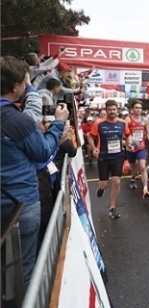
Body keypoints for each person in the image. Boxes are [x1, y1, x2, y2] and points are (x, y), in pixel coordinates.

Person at [1, 55, 68, 288]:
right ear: (16, 86)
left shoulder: (18, 118)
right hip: (20, 205)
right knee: (24, 273)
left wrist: (28, 86)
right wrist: (58, 124)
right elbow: (43, 152)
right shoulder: (17, 121)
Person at [88, 100, 132, 219]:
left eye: (114, 109)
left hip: (118, 156)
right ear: (106, 110)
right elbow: (90, 137)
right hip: (103, 157)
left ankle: (113, 207)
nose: (112, 112)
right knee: (104, 184)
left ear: (117, 110)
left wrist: (129, 144)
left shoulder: (122, 123)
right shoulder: (99, 123)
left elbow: (128, 136)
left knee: (117, 182)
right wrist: (93, 149)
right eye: (109, 110)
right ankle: (101, 188)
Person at [125, 100, 149, 198]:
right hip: (131, 148)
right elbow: (125, 134)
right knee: (134, 169)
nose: (138, 110)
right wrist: (129, 143)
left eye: (140, 108)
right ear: (132, 109)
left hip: (141, 147)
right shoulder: (128, 120)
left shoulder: (145, 120)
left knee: (142, 167)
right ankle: (133, 178)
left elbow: (148, 133)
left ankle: (145, 189)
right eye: (136, 108)